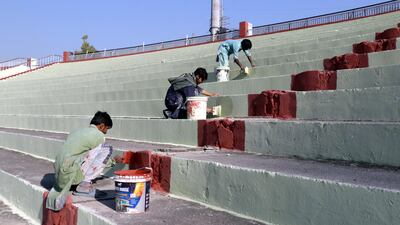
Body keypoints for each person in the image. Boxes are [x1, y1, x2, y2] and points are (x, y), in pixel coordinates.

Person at [46, 111, 124, 211]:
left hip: (59, 174)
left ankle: (77, 182)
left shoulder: (77, 131)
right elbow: (95, 158)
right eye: (106, 129)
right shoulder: (98, 135)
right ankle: (84, 186)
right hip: (69, 173)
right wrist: (113, 161)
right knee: (106, 149)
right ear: (101, 126)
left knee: (89, 151)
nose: (106, 132)